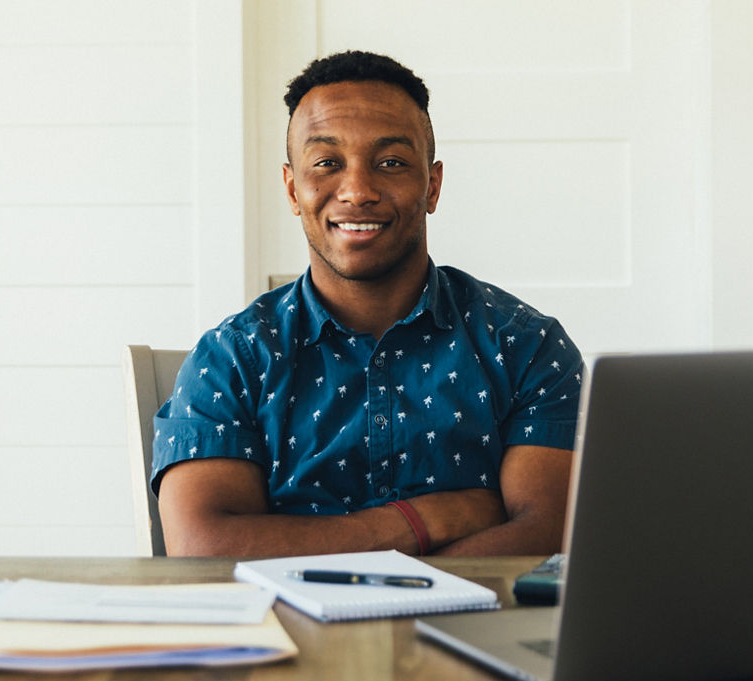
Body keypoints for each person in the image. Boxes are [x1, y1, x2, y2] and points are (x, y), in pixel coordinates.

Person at [151, 50, 583, 557]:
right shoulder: (232, 358)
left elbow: (554, 536)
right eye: (327, 163)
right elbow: (205, 549)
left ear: (433, 185)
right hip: (289, 636)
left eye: (392, 163)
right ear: (293, 189)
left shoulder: (527, 346)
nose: (357, 191)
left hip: (466, 634)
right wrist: (423, 521)